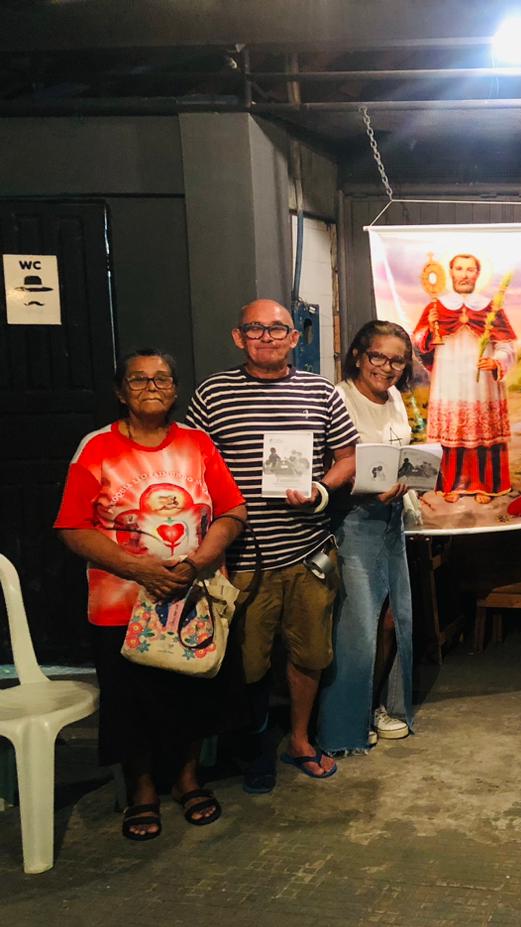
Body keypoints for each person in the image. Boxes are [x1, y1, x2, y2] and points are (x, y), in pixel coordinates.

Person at [55, 349, 249, 841]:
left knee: (193, 692)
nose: (151, 387)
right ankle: (142, 790)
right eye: (139, 380)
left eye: (162, 379)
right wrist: (139, 569)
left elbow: (232, 511)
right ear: (121, 392)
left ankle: (187, 779)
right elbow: (73, 527)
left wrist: (197, 562)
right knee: (131, 700)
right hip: (122, 604)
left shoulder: (198, 444)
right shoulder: (97, 447)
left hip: (193, 600)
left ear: (175, 390)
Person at [187, 299, 358, 788]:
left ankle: (300, 740)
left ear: (295, 337)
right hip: (242, 557)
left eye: (277, 329)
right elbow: (191, 464)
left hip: (309, 551)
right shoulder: (213, 393)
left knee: (311, 654)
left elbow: (347, 458)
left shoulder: (320, 391)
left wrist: (321, 489)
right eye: (255, 328)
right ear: (238, 337)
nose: (267, 337)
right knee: (247, 663)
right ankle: (256, 746)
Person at [316, 321, 417, 756]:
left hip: (392, 519)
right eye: (378, 356)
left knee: (393, 618)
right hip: (353, 521)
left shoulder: (395, 398)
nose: (387, 367)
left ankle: (376, 705)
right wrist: (369, 489)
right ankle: (344, 724)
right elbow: (333, 468)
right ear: (358, 355)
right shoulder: (339, 398)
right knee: (356, 625)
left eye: (397, 360)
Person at [412, 253, 515, 504]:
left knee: (482, 430)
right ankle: (452, 484)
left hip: (482, 384)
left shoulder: (490, 307)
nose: (465, 274)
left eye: (470, 269)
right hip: (449, 382)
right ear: (451, 273)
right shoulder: (437, 306)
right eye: (459, 269)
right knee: (452, 428)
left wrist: (496, 361)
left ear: (478, 274)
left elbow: (506, 345)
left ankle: (484, 484)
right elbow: (419, 344)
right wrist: (429, 331)